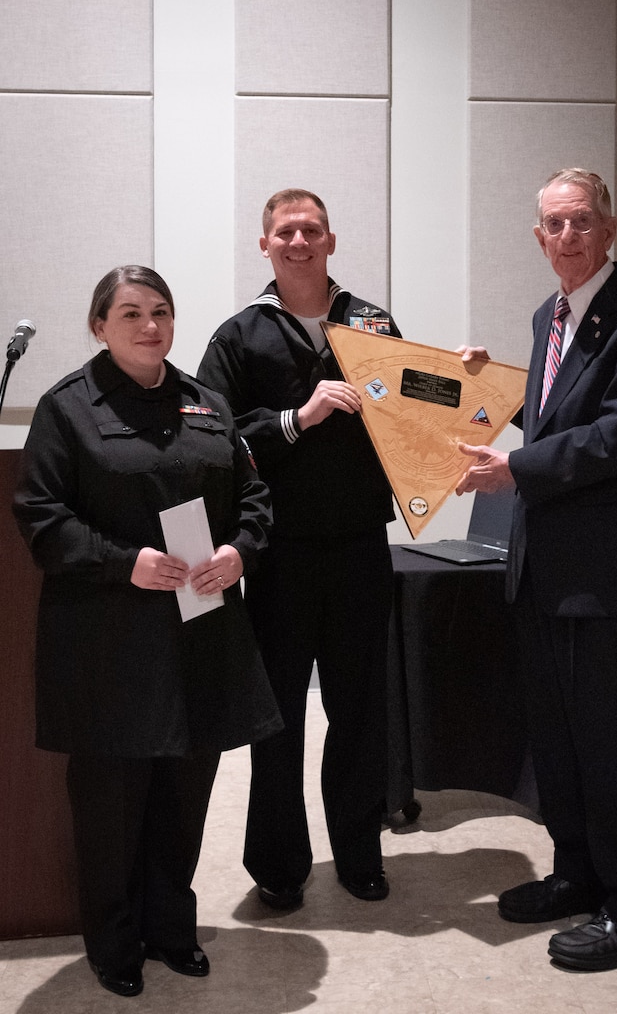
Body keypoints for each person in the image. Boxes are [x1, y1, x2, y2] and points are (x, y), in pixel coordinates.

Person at [13, 265, 282, 998]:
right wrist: (122, 562)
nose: (149, 326)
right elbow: (42, 518)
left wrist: (237, 552)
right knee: (111, 799)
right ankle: (114, 939)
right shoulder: (68, 408)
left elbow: (253, 497)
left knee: (183, 790)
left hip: (200, 631)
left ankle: (170, 926)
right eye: (130, 313)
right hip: (108, 637)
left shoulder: (207, 404)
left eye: (160, 311)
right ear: (99, 325)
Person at [456, 168, 617, 972]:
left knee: (607, 745)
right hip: (543, 566)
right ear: (537, 236)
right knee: (556, 742)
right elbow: (562, 412)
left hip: (602, 573)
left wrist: (514, 468)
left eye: (581, 221)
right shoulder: (546, 315)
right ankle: (579, 872)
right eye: (553, 224)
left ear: (609, 227)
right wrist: (491, 390)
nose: (568, 237)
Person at [197, 189, 401, 909]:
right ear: (265, 245)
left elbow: (408, 416)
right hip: (279, 557)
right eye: (286, 231)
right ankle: (280, 866)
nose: (299, 241)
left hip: (359, 549)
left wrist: (461, 392)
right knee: (277, 716)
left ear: (331, 240)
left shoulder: (370, 322)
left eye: (312, 229)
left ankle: (359, 852)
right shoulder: (238, 335)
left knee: (360, 710)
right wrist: (297, 417)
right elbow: (214, 441)